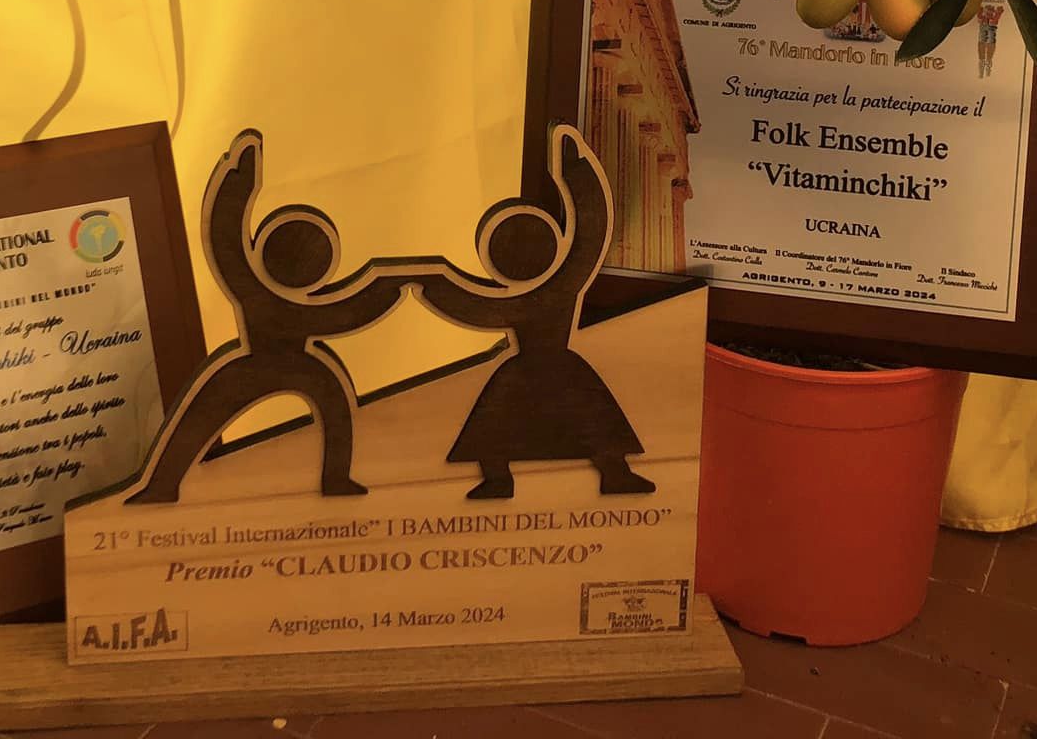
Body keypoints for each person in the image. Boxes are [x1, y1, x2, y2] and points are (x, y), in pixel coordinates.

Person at [125, 132, 414, 504]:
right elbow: (357, 308)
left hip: (255, 365)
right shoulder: (292, 302)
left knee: (208, 411)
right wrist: (396, 283)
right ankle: (335, 478)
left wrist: (241, 177)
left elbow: (226, 237)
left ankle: (163, 484)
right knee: (334, 407)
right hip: (296, 366)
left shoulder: (250, 287)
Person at [416, 128, 653, 500]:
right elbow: (588, 236)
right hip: (558, 368)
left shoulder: (543, 292)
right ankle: (604, 473)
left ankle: (506, 478)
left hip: (532, 370)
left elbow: (472, 306)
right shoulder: (565, 282)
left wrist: (428, 284)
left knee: (508, 424)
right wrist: (574, 171)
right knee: (583, 420)